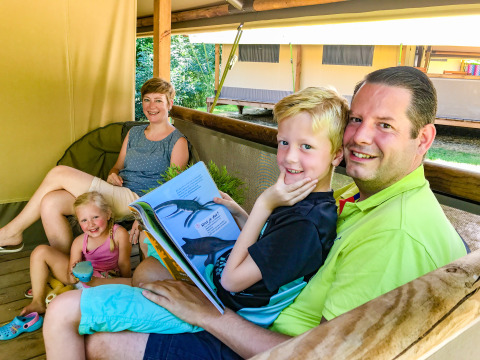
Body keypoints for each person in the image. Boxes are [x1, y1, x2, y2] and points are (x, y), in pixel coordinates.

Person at [43, 66, 468, 359]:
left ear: (425, 138)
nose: (361, 136)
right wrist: (248, 216)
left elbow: (315, 352)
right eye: (357, 119)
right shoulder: (362, 198)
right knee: (149, 271)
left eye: (386, 125)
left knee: (99, 340)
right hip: (252, 308)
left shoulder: (395, 233)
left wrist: (207, 313)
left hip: (264, 338)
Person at [44, 87, 348, 339]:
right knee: (147, 270)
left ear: (336, 155)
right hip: (218, 283)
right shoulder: (303, 201)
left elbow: (231, 282)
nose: (290, 156)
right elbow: (266, 241)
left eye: (306, 146)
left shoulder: (305, 223)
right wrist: (238, 211)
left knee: (64, 310)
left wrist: (263, 205)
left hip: (223, 305)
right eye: (283, 142)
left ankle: (98, 295)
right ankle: (109, 289)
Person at [0, 78, 189, 254]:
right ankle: (65, 269)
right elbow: (116, 167)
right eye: (147, 100)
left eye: (158, 100)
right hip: (116, 191)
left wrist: (143, 218)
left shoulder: (177, 141)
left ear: (169, 104)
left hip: (137, 200)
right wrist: (113, 175)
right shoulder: (134, 133)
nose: (151, 106)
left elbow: (172, 190)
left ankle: (11, 232)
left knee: (59, 173)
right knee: (51, 202)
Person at [20, 191, 132, 316]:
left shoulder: (119, 234)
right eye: (84, 220)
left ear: (108, 214)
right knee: (40, 251)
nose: (90, 224)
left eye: (95, 217)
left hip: (106, 279)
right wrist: (75, 270)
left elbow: (124, 264)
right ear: (78, 222)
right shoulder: (79, 242)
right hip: (81, 278)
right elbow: (72, 275)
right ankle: (38, 302)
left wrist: (128, 286)